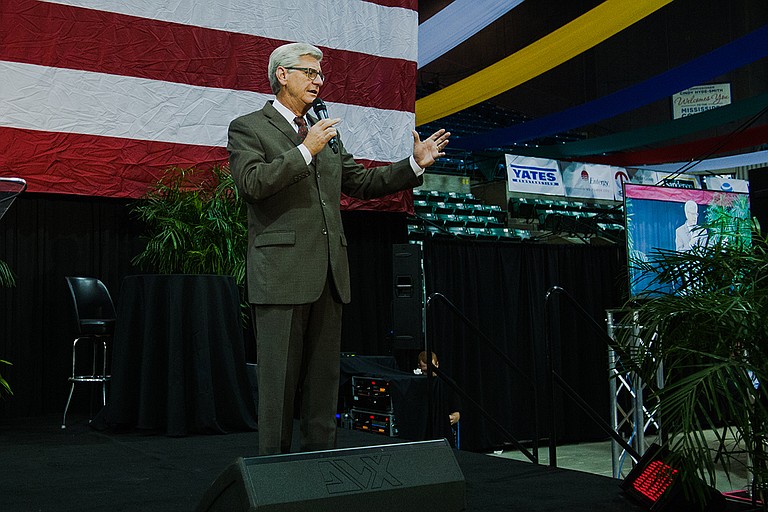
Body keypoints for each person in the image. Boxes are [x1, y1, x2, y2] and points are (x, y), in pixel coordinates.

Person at [227, 42, 450, 455]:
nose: (317, 80)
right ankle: (274, 477)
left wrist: (414, 164)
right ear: (282, 75)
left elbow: (360, 184)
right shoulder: (249, 127)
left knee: (323, 384)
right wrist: (304, 150)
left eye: (319, 75)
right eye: (309, 72)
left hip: (330, 274)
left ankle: (320, 468)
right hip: (281, 275)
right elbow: (253, 184)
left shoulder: (323, 129)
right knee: (277, 386)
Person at [418, 351, 462, 447]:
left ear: (437, 365)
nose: (429, 374)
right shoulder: (415, 386)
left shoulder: (448, 384)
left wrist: (454, 417)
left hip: (442, 431)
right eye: (426, 371)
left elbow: (457, 412)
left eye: (432, 370)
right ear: (419, 367)